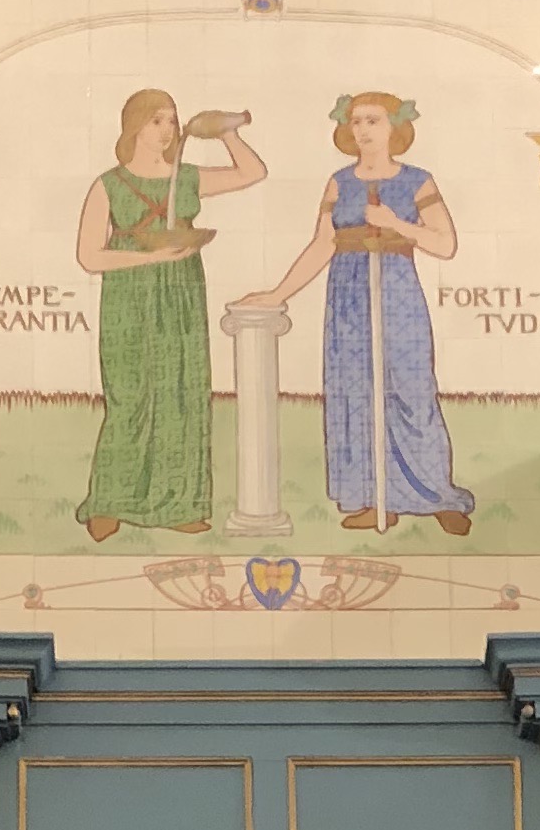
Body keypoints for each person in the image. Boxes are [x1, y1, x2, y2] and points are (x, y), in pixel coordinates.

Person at [251, 90, 472, 534]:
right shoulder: (339, 182)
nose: (363, 130)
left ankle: (435, 495)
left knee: (411, 391)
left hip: (396, 290)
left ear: (394, 127)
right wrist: (279, 293)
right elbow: (323, 244)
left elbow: (445, 244)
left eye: (373, 121)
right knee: (354, 395)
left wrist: (396, 224)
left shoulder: (417, 181)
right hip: (348, 295)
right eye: (356, 121)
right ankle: (372, 498)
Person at [73, 92, 266, 538]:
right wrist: (149, 259)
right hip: (128, 296)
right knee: (129, 398)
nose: (167, 129)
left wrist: (228, 133)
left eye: (172, 120)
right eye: (156, 120)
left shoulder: (188, 177)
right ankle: (109, 503)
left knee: (183, 393)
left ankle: (180, 505)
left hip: (181, 293)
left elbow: (253, 173)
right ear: (134, 126)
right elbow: (89, 256)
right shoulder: (109, 185)